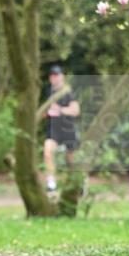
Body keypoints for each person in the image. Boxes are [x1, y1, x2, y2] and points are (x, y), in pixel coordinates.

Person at [43, 64, 80, 193]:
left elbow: (75, 110)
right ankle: (51, 183)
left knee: (71, 159)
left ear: (62, 77)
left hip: (68, 129)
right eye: (52, 76)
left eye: (57, 75)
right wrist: (46, 113)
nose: (55, 78)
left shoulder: (68, 92)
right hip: (53, 130)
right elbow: (43, 111)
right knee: (47, 152)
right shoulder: (47, 92)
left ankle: (77, 183)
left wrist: (61, 110)